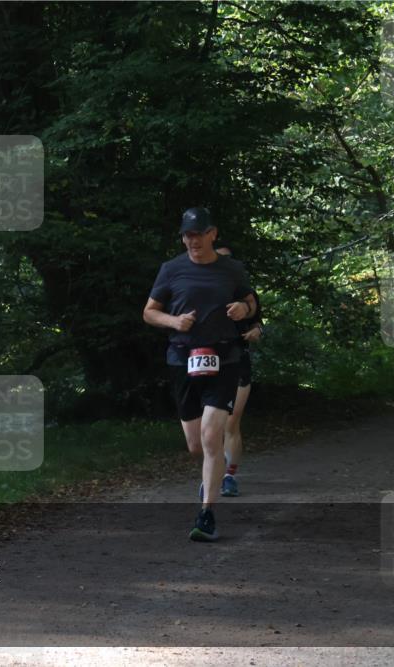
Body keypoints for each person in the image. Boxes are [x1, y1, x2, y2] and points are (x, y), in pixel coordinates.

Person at [143, 207, 256, 541]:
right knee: (196, 445)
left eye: (198, 234)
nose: (192, 241)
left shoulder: (232, 269)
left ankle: (207, 513)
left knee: (211, 437)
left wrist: (244, 309)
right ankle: (213, 468)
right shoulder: (171, 269)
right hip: (183, 358)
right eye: (187, 235)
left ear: (212, 234)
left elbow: (251, 302)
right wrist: (174, 322)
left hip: (225, 357)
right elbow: (149, 313)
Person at [215, 245, 264, 497]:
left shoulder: (245, 292)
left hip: (238, 361)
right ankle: (212, 472)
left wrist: (256, 331)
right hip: (210, 363)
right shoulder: (198, 289)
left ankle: (229, 476)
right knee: (211, 425)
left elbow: (258, 321)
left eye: (226, 259)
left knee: (231, 423)